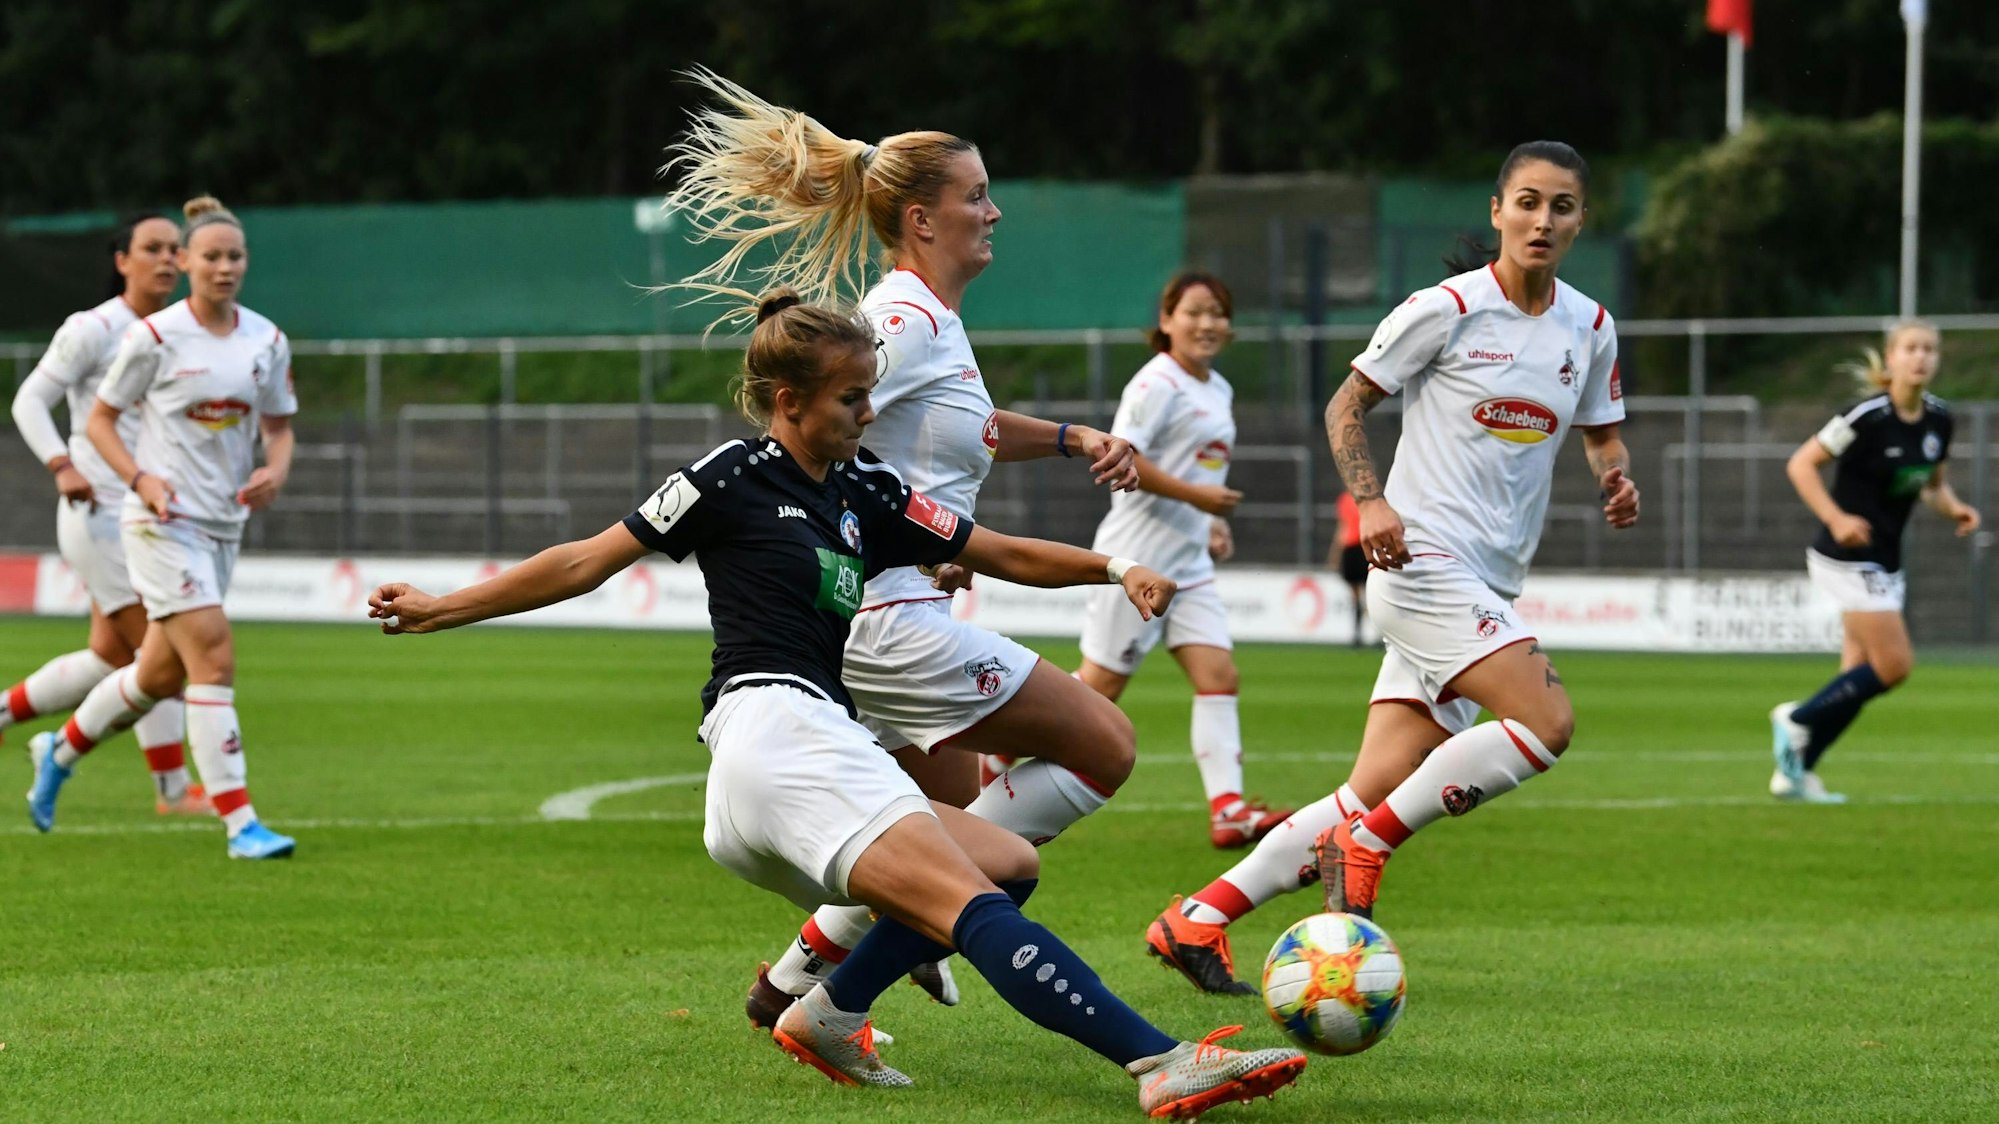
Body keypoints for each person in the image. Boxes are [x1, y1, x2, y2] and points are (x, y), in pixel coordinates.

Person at [365, 292, 1307, 1116]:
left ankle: (829, 1013)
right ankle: (1162, 1062)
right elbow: (583, 560)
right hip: (773, 732)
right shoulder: (730, 478)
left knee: (1007, 861)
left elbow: (1001, 551)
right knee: (974, 903)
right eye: (853, 397)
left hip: (800, 749)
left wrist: (1114, 564)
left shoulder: (865, 492)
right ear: (791, 403)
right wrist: (443, 608)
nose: (868, 411)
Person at [660, 68, 1152, 1024]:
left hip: (898, 603)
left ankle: (798, 983)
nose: (994, 212)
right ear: (922, 221)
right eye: (976, 196)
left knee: (952, 818)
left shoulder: (931, 324)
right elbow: (817, 399)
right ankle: (839, 974)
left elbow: (945, 426)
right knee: (1101, 748)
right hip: (886, 613)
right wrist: (867, 524)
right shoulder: (899, 319)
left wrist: (1067, 437)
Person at [1145, 141, 1639, 993]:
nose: (1542, 220)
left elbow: (1599, 428)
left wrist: (1613, 475)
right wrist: (1370, 501)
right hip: (1421, 564)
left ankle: (1199, 917)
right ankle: (1368, 844)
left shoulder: (1589, 327)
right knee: (1545, 723)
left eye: (1561, 206)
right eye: (1526, 201)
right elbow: (1347, 403)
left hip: (1487, 581)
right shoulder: (1443, 308)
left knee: (1370, 785)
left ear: (1580, 220)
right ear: (1496, 211)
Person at [25, 196, 299, 860]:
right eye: (210, 256)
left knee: (153, 674)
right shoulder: (150, 337)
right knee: (213, 656)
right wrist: (140, 479)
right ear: (187, 262)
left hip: (221, 527)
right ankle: (240, 824)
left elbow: (279, 425)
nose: (224, 267)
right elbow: (97, 419)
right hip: (154, 524)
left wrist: (277, 471)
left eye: (235, 256)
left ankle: (59, 751)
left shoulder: (266, 339)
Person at [1074, 270, 1291, 849]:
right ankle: (995, 753)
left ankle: (1229, 809)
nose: (1207, 323)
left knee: (1219, 675)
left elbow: (1202, 471)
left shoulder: (1216, 388)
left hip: (1189, 563)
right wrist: (1198, 499)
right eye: (1193, 311)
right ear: (1166, 321)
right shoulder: (1156, 384)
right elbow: (1122, 461)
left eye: (1217, 312)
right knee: (1098, 691)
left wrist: (1209, 521)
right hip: (1136, 561)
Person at [6, 214, 208, 814]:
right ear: (122, 260)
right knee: (162, 655)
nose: (167, 259)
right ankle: (172, 789)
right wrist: (60, 465)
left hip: (148, 519)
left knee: (112, 658)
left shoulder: (179, 332)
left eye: (175, 249)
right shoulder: (93, 328)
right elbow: (30, 400)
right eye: (152, 249)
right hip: (99, 514)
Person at [1769, 321, 1979, 802]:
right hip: (1844, 557)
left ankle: (1796, 771)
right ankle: (1797, 718)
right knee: (1895, 665)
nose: (1921, 357)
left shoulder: (1939, 421)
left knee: (1858, 677)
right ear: (1891, 359)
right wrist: (1837, 517)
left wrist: (1956, 508)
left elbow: (1932, 485)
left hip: (1886, 559)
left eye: (1929, 349)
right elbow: (1801, 464)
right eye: (1911, 348)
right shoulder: (1867, 416)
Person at [1328, 488, 1368, 645]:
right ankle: (1357, 634)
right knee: (1355, 597)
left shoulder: (1369, 498)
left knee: (1370, 593)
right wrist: (1335, 554)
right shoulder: (1344, 499)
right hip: (1350, 548)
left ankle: (1378, 634)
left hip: (1365, 546)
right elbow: (1342, 527)